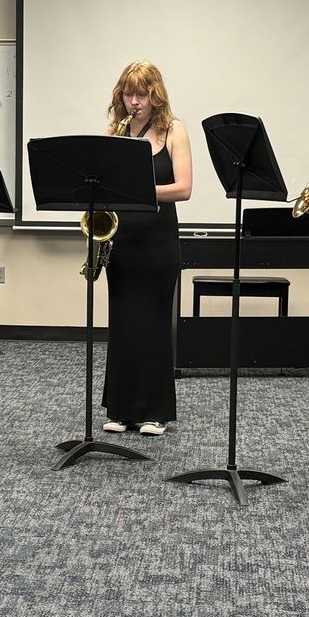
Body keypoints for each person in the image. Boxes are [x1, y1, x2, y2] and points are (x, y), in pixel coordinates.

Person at [100, 62, 193, 437]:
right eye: (128, 94)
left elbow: (184, 188)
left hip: (157, 241)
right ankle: (122, 410)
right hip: (121, 240)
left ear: (156, 96)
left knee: (153, 325)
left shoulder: (174, 130)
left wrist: (136, 190)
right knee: (123, 325)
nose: (134, 102)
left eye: (142, 94)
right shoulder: (113, 132)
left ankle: (154, 411)